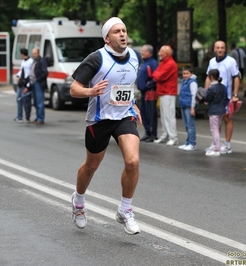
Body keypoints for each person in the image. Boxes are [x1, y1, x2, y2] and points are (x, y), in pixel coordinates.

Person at [69, 17, 142, 235]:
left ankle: (125, 209)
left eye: (124, 30)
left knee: (133, 160)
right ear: (107, 38)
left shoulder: (134, 58)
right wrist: (90, 91)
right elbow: (74, 88)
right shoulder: (96, 58)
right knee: (91, 166)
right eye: (117, 31)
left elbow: (126, 86)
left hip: (124, 116)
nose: (122, 34)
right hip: (99, 119)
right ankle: (78, 202)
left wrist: (134, 105)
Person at [205, 40, 240, 154]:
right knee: (216, 121)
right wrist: (206, 94)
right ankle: (217, 144)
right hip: (215, 96)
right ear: (214, 49)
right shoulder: (211, 61)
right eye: (218, 48)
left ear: (225, 49)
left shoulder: (231, 61)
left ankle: (227, 145)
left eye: (222, 48)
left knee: (226, 118)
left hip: (227, 96)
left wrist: (235, 95)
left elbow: (236, 77)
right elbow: (208, 77)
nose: (220, 50)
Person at [153, 45, 178, 146]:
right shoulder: (164, 62)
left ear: (166, 54)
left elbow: (158, 76)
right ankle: (166, 134)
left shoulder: (170, 64)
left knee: (169, 115)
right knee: (164, 115)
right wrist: (156, 75)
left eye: (161, 52)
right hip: (164, 92)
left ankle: (173, 137)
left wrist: (155, 75)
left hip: (168, 92)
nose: (159, 54)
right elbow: (156, 74)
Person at [204, 69, 229, 156]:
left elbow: (207, 98)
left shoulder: (212, 88)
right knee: (217, 128)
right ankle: (217, 147)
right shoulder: (223, 86)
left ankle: (216, 149)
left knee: (214, 130)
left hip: (214, 110)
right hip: (221, 110)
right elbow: (227, 99)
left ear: (211, 77)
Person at [137, 44, 158, 142]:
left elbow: (155, 77)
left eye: (143, 51)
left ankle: (153, 133)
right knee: (144, 113)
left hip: (150, 92)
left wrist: (147, 85)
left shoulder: (153, 63)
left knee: (151, 113)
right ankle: (147, 132)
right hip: (144, 92)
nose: (141, 52)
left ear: (149, 53)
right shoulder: (144, 63)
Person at [22, 47, 47, 125]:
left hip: (38, 83)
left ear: (38, 53)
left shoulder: (41, 61)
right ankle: (37, 117)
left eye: (35, 53)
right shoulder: (34, 61)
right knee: (36, 102)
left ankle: (40, 118)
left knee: (40, 102)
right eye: (33, 54)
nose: (34, 55)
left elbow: (45, 72)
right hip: (33, 83)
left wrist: (38, 79)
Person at [178, 66, 198, 151]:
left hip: (189, 106)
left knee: (190, 125)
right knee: (186, 125)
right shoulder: (184, 82)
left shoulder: (192, 83)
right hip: (183, 105)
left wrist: (192, 107)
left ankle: (192, 143)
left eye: (187, 73)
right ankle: (188, 141)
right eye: (184, 73)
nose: (185, 75)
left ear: (191, 73)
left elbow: (194, 95)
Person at [14, 48, 33, 122]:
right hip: (21, 82)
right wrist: (17, 76)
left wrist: (28, 83)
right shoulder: (23, 62)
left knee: (26, 100)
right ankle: (19, 116)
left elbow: (30, 73)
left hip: (26, 82)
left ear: (22, 54)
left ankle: (27, 116)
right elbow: (21, 70)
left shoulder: (30, 62)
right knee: (18, 99)